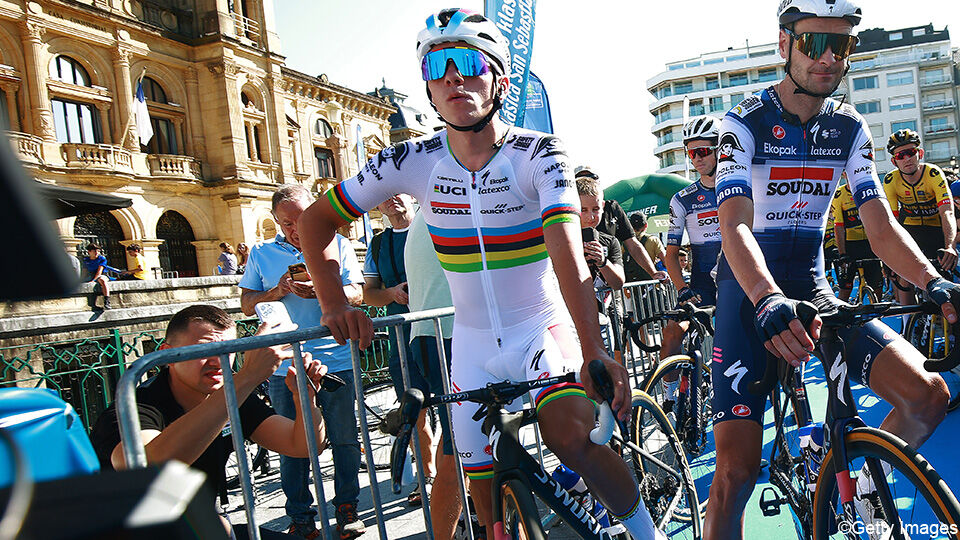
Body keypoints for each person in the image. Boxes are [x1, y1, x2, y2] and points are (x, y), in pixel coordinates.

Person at [298, 8, 663, 540]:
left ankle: (645, 532)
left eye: (469, 61)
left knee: (571, 439)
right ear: (426, 84)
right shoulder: (411, 160)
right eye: (438, 65)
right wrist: (334, 301)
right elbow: (315, 221)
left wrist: (593, 348)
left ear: (500, 79)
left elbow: (566, 251)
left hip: (541, 329)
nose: (453, 76)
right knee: (484, 490)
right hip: (470, 348)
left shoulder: (538, 152)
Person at [709, 2, 959, 538]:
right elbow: (734, 226)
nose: (826, 58)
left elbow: (881, 225)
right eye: (811, 43)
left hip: (815, 288)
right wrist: (766, 297)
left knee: (929, 395)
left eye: (840, 45)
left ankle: (858, 487)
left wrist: (932, 282)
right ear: (784, 46)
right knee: (734, 472)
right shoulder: (743, 122)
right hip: (748, 289)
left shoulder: (850, 126)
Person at [89, 304, 327, 539]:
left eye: (228, 350)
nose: (217, 361)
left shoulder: (231, 392)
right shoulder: (136, 406)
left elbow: (304, 445)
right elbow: (148, 467)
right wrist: (248, 376)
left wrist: (304, 399)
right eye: (203, 350)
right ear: (167, 355)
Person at [239, 184, 366, 539]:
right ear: (277, 222)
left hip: (336, 358)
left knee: (343, 438)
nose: (295, 229)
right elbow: (246, 305)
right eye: (286, 223)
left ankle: (347, 508)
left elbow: (359, 293)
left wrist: (328, 291)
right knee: (292, 444)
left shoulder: (338, 244)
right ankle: (301, 516)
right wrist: (276, 291)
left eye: (302, 219)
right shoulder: (261, 253)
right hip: (285, 365)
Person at [362, 193, 438, 507]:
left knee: (455, 409)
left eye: (399, 190)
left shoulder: (434, 226)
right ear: (377, 204)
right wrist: (392, 292)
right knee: (415, 413)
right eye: (384, 194)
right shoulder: (377, 246)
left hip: (441, 333)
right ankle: (430, 476)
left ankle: (465, 473)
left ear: (413, 196)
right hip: (402, 341)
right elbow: (369, 295)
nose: (392, 198)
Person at [657, 116, 723, 411]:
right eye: (691, 152)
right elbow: (670, 254)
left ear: (722, 150)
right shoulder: (683, 199)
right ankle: (671, 397)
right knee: (672, 333)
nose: (696, 159)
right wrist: (682, 288)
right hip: (701, 284)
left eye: (703, 151)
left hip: (739, 279)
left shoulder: (744, 187)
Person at [403, 209, 460, 539]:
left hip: (438, 333)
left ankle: (482, 522)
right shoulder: (447, 203)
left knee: (464, 443)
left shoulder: (433, 207)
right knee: (460, 446)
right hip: (447, 334)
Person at [882, 128, 958, 306]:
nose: (907, 158)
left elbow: (947, 212)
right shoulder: (890, 181)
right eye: (901, 156)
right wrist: (888, 257)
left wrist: (950, 246)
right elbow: (890, 222)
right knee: (904, 275)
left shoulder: (933, 173)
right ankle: (908, 325)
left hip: (936, 229)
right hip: (911, 230)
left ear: (920, 153)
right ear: (894, 161)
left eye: (911, 153)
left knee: (944, 277)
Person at [574, 166, 666, 283]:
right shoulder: (564, 217)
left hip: (610, 284)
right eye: (580, 179)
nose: (587, 182)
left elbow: (633, 244)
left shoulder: (612, 210)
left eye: (591, 178)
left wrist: (653, 273)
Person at [831, 178, 883, 302]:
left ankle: (875, 315)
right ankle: (842, 320)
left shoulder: (870, 190)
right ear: (844, 174)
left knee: (877, 287)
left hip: (870, 243)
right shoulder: (839, 195)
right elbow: (838, 227)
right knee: (846, 289)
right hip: (851, 246)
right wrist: (842, 253)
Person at [625, 212, 667, 283]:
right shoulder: (653, 240)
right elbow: (666, 261)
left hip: (630, 286)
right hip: (650, 282)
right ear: (646, 225)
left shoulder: (626, 242)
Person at [82, 243, 111, 309]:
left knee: (102, 280)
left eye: (98, 251)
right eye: (94, 251)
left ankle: (107, 301)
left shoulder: (102, 259)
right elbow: (84, 271)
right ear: (89, 252)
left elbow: (99, 272)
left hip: (101, 275)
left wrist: (93, 280)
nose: (97, 253)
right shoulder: (86, 260)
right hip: (91, 275)